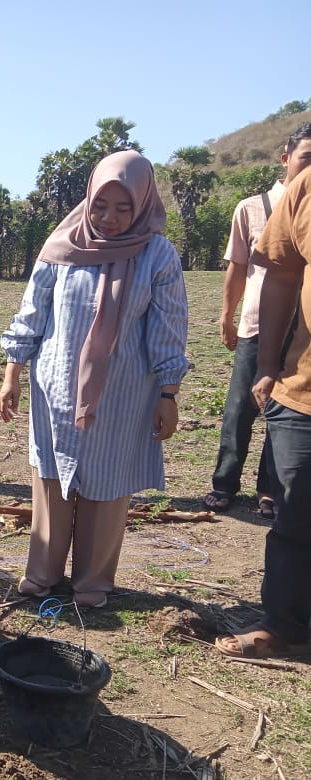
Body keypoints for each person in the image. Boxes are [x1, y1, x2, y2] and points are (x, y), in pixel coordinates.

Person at [0, 150, 188, 609]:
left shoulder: (157, 254)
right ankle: (41, 574)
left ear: (143, 204)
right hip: (56, 386)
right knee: (49, 478)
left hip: (123, 392)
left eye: (124, 209)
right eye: (101, 206)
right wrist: (12, 375)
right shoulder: (62, 246)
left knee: (108, 483)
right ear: (88, 199)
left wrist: (168, 393)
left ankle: (93, 581)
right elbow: (32, 314)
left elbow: (168, 329)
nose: (110, 218)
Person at [215, 164, 311, 659]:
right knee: (294, 510)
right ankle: (286, 624)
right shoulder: (304, 191)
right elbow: (280, 273)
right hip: (303, 384)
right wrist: (270, 362)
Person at [204, 124, 311, 518]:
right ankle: (224, 483)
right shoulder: (251, 208)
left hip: (302, 335)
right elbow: (237, 267)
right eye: (306, 158)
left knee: (286, 412)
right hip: (256, 326)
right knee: (239, 410)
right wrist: (226, 315)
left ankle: (270, 490)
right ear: (286, 158)